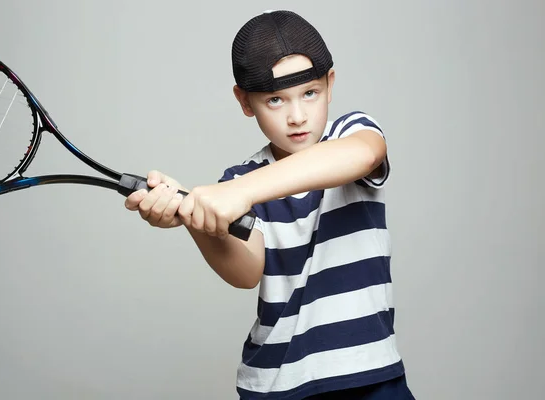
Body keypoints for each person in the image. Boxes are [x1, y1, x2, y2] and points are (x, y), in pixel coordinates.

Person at [125, 9, 415, 400]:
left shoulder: (351, 133)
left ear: (330, 84)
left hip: (370, 376)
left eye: (310, 93)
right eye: (276, 99)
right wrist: (192, 216)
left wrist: (242, 193)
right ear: (245, 102)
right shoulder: (238, 178)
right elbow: (246, 271)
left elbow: (362, 156)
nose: (298, 116)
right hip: (278, 386)